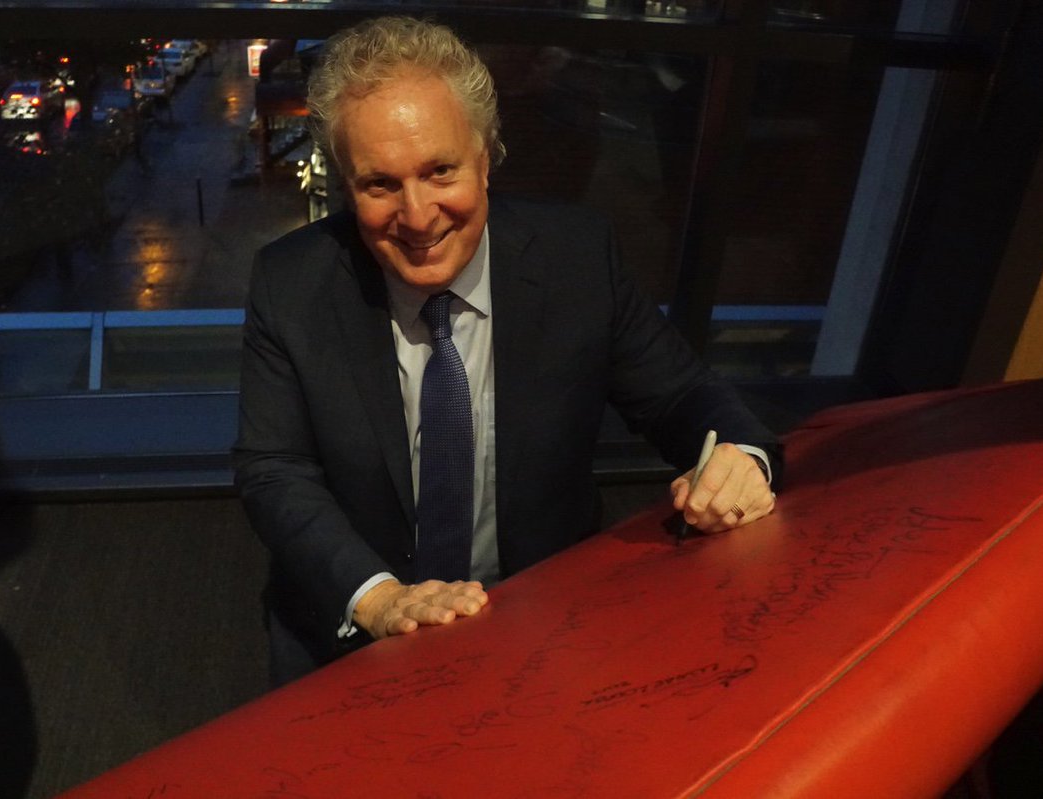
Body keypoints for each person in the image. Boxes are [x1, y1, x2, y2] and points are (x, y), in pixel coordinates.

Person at [233, 16, 781, 688]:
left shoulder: (577, 256)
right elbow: (274, 469)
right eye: (380, 184)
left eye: (441, 170)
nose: (417, 214)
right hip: (356, 630)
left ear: (485, 157)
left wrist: (739, 460)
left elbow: (682, 397)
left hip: (547, 621)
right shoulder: (291, 282)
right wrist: (380, 600)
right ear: (347, 185)